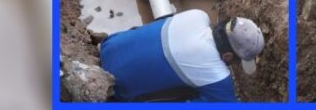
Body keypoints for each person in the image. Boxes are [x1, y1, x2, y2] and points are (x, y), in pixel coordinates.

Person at [100, 9, 264, 102]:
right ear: (228, 56)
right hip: (113, 87)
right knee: (190, 93)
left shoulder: (198, 15)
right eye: (236, 60)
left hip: (107, 47)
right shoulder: (217, 76)